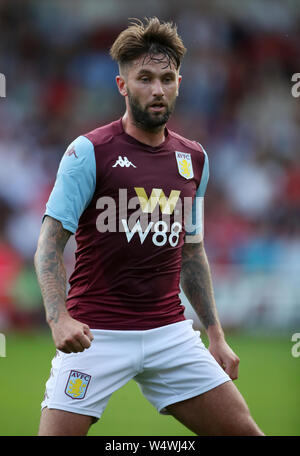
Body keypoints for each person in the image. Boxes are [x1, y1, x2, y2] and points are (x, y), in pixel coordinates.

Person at [34, 17, 264, 436]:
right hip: (94, 333)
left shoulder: (195, 159)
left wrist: (215, 335)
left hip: (170, 333)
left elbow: (191, 251)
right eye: (144, 78)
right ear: (122, 86)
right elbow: (49, 245)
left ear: (179, 82)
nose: (157, 89)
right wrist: (58, 319)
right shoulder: (87, 152)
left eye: (166, 78)